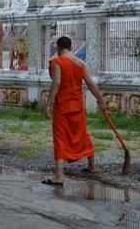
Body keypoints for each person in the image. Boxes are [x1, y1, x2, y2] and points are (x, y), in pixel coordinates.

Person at [43, 36, 106, 186]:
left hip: (63, 106)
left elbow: (57, 82)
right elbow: (90, 83)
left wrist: (49, 103)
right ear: (71, 47)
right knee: (81, 133)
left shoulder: (57, 62)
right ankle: (91, 166)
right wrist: (100, 99)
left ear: (58, 48)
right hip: (77, 105)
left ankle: (59, 175)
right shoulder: (80, 63)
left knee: (60, 137)